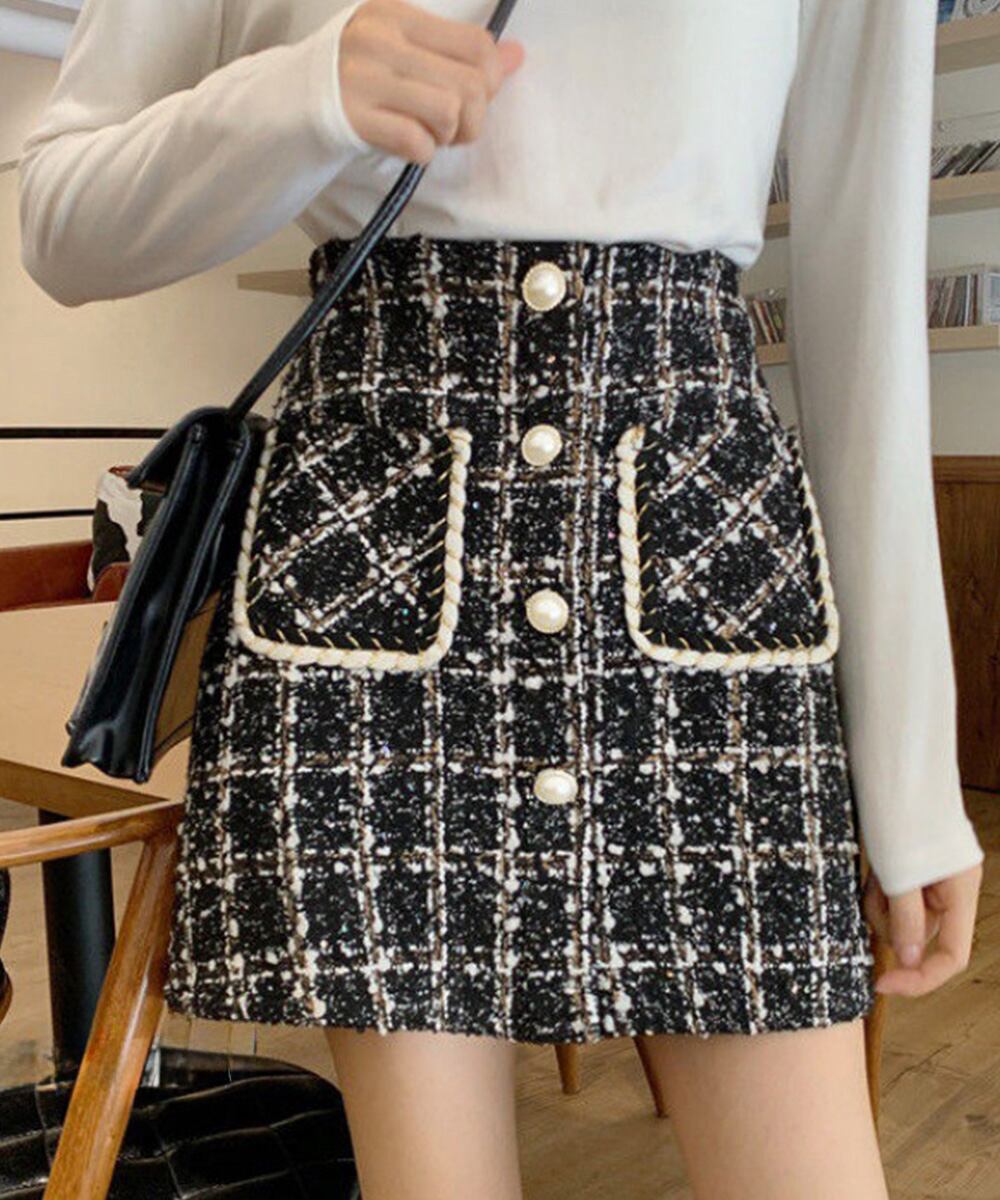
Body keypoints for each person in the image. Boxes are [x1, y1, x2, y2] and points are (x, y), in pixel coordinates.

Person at [18, 2, 985, 1197]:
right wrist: (307, 94)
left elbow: (863, 286)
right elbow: (64, 220)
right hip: (378, 573)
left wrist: (909, 773)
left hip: (701, 567)